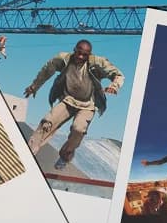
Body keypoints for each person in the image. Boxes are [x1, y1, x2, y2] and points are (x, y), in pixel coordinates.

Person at [23, 39, 124, 170]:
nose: (81, 57)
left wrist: (114, 86)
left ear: (89, 54)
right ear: (74, 50)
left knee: (78, 129)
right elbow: (46, 71)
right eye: (79, 53)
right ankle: (28, 153)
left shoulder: (97, 62)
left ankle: (66, 155)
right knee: (46, 123)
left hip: (88, 105)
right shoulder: (63, 59)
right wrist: (34, 86)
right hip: (68, 100)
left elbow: (118, 74)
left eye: (85, 55)